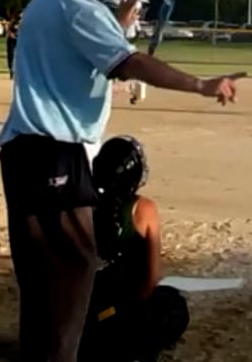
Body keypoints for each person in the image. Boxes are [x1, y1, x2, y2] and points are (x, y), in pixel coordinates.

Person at [0, 0, 239, 362]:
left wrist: (115, 29)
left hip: (21, 157)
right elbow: (130, 64)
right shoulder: (78, 8)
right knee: (70, 283)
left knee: (41, 286)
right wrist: (201, 85)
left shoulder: (43, 2)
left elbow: (83, 66)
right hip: (56, 158)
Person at [78, 136, 190, 361]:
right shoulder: (144, 209)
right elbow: (151, 278)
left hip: (85, 317)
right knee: (172, 304)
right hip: (124, 318)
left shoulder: (83, 206)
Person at [7, 12, 21, 78]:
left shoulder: (25, 21)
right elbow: (8, 30)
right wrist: (11, 34)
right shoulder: (13, 21)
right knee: (11, 54)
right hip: (11, 40)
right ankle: (11, 70)